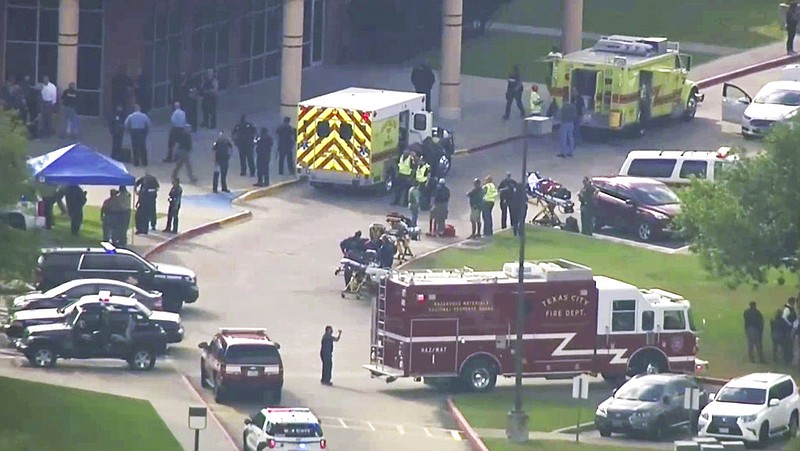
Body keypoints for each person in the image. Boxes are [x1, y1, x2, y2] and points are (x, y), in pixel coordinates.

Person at [782, 297, 797, 365]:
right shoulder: (787, 309)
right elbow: (785, 318)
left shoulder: (788, 308)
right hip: (787, 329)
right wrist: (791, 325)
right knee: (788, 345)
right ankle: (787, 360)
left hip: (788, 329)